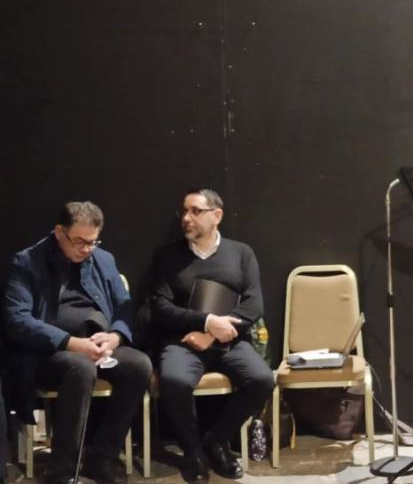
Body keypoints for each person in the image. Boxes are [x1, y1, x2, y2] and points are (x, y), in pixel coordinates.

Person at [1, 202, 152, 484]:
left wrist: (115, 336)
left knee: (139, 365)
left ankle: (102, 457)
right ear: (60, 232)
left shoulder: (103, 259)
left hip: (97, 344)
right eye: (79, 242)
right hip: (49, 351)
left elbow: (125, 308)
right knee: (80, 368)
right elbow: (17, 319)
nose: (86, 249)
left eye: (93, 242)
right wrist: (70, 342)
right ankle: (62, 471)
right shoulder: (27, 262)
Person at [150, 188, 274, 482]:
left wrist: (213, 334)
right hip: (182, 342)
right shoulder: (167, 257)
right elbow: (160, 308)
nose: (186, 218)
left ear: (216, 215)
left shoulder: (241, 253)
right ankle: (193, 452)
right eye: (184, 211)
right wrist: (206, 321)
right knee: (175, 382)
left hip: (230, 341)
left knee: (262, 380)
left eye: (195, 211)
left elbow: (253, 304)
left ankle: (217, 440)